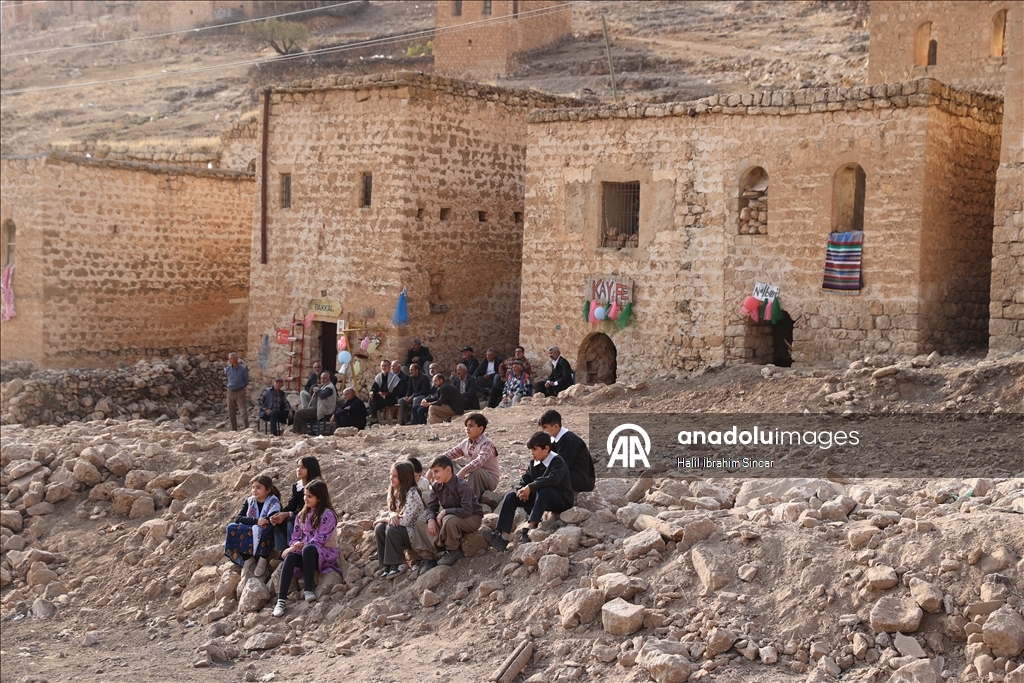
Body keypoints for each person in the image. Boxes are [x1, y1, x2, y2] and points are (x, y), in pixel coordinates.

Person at [484, 432, 573, 551]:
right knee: (511, 496)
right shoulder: (533, 463)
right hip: (541, 500)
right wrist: (521, 491)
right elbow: (524, 480)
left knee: (544, 490)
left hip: (561, 500)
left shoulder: (557, 461)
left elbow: (553, 479)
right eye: (531, 449)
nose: (532, 453)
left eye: (535, 449)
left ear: (546, 448)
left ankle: (530, 530)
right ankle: (503, 537)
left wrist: (530, 487)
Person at [272, 479, 342, 617]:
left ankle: (308, 589)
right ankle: (281, 601)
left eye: (310, 496)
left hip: (323, 553)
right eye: (305, 495)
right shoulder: (301, 515)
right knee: (291, 557)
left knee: (308, 549)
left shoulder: (328, 515)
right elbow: (295, 536)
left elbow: (320, 539)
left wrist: (300, 546)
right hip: (303, 551)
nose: (305, 498)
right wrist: (294, 546)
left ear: (319, 498)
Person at [412, 455, 483, 570]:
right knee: (421, 519)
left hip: (472, 518)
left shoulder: (462, 485)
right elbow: (431, 507)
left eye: (436, 471)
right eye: (432, 472)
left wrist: (445, 512)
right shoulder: (436, 486)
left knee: (448, 519)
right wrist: (431, 520)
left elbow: (467, 511)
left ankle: (452, 550)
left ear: (448, 470)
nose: (434, 476)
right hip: (452, 517)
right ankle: (429, 556)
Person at [374, 461, 425, 579]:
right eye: (391, 474)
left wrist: (386, 519)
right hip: (402, 528)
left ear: (404, 477)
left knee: (392, 529)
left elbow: (404, 521)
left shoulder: (412, 493)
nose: (391, 478)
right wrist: (391, 514)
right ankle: (386, 564)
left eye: (395, 476)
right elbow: (391, 509)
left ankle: (399, 563)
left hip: (415, 532)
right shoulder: (393, 488)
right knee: (379, 528)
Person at [224, 475, 282, 577]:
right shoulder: (249, 501)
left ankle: (263, 558)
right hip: (253, 526)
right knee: (231, 527)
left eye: (258, 487)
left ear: (267, 490)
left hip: (265, 530)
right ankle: (247, 558)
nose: (254, 490)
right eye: (253, 487)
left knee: (266, 527)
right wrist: (256, 521)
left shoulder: (274, 502)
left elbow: (272, 519)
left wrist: (261, 522)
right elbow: (238, 518)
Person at [270, 457, 322, 552]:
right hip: (298, 513)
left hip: (313, 515)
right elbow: (292, 504)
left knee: (291, 522)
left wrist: (288, 514)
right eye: (298, 466)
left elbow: (311, 508)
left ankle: (294, 551)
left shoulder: (316, 486)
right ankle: (282, 552)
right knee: (279, 522)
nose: (299, 469)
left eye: (303, 467)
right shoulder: (297, 486)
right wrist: (279, 515)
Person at [442, 413, 499, 498]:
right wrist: (434, 466)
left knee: (474, 470)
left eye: (471, 426)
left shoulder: (487, 443)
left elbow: (479, 461)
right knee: (448, 464)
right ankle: (450, 493)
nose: (467, 429)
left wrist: (463, 471)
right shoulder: (466, 442)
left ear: (480, 429)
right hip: (470, 475)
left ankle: (470, 500)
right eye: (466, 426)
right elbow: (449, 454)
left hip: (488, 479)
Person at [538, 409, 596, 493]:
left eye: (545, 427)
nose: (543, 431)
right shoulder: (555, 439)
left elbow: (560, 466)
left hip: (582, 479)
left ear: (556, 427)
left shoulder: (567, 440)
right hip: (574, 474)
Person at [225, 352, 250, 431]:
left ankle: (246, 429)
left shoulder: (243, 369)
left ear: (236, 359)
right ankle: (234, 429)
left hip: (240, 392)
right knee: (231, 413)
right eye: (229, 358)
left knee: (243, 412)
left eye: (231, 358)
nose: (229, 360)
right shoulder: (228, 369)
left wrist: (242, 387)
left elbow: (246, 380)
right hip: (230, 392)